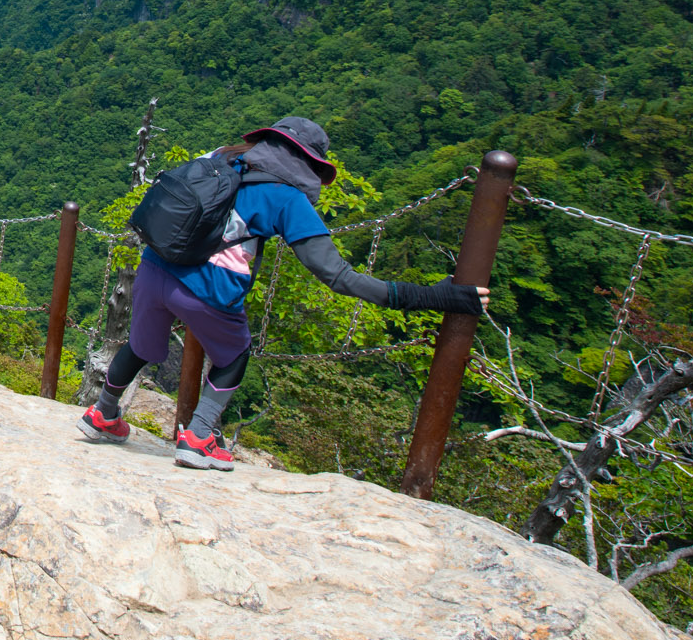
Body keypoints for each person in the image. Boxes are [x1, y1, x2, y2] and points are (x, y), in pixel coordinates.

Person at [77, 116, 492, 471]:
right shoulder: (286, 196)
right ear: (308, 163)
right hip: (207, 286)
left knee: (141, 346)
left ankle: (103, 414)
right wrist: (434, 297)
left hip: (154, 266)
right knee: (234, 355)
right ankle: (199, 437)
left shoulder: (221, 156)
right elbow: (338, 276)